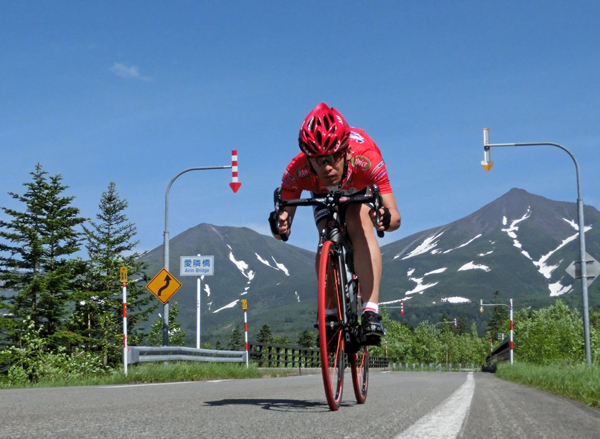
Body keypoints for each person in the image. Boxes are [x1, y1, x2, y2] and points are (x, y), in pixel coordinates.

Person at [269, 102, 401, 345]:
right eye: (318, 161)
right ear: (307, 158)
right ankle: (330, 312)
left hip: (357, 188)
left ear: (346, 151)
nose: (327, 167)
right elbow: (282, 228)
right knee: (326, 234)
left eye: (332, 158)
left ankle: (371, 310)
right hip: (321, 195)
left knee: (357, 220)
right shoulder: (296, 171)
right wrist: (280, 224)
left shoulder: (367, 158)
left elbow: (395, 218)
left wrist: (383, 218)